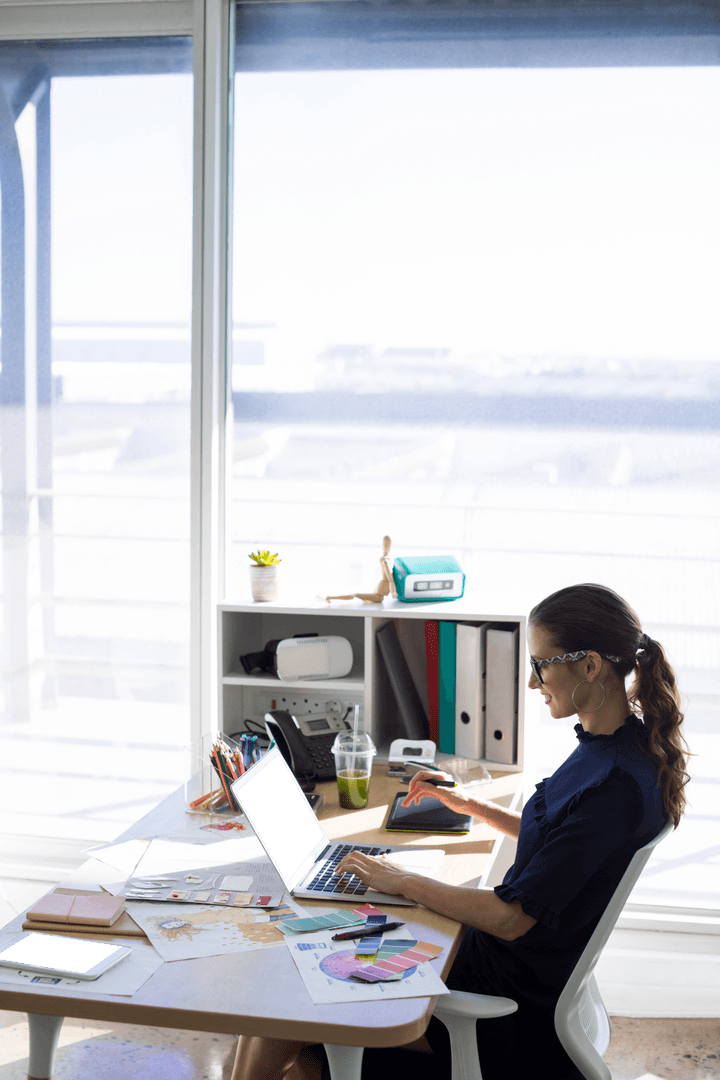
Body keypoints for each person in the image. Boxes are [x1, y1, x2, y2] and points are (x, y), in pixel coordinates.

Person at [229, 583, 690, 1080]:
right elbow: (561, 842)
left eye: (541, 664)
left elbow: (511, 918)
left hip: (502, 1006)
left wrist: (402, 881)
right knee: (296, 978)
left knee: (282, 1005)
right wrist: (468, 804)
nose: (534, 683)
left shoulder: (613, 786)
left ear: (590, 665)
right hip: (495, 963)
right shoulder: (617, 748)